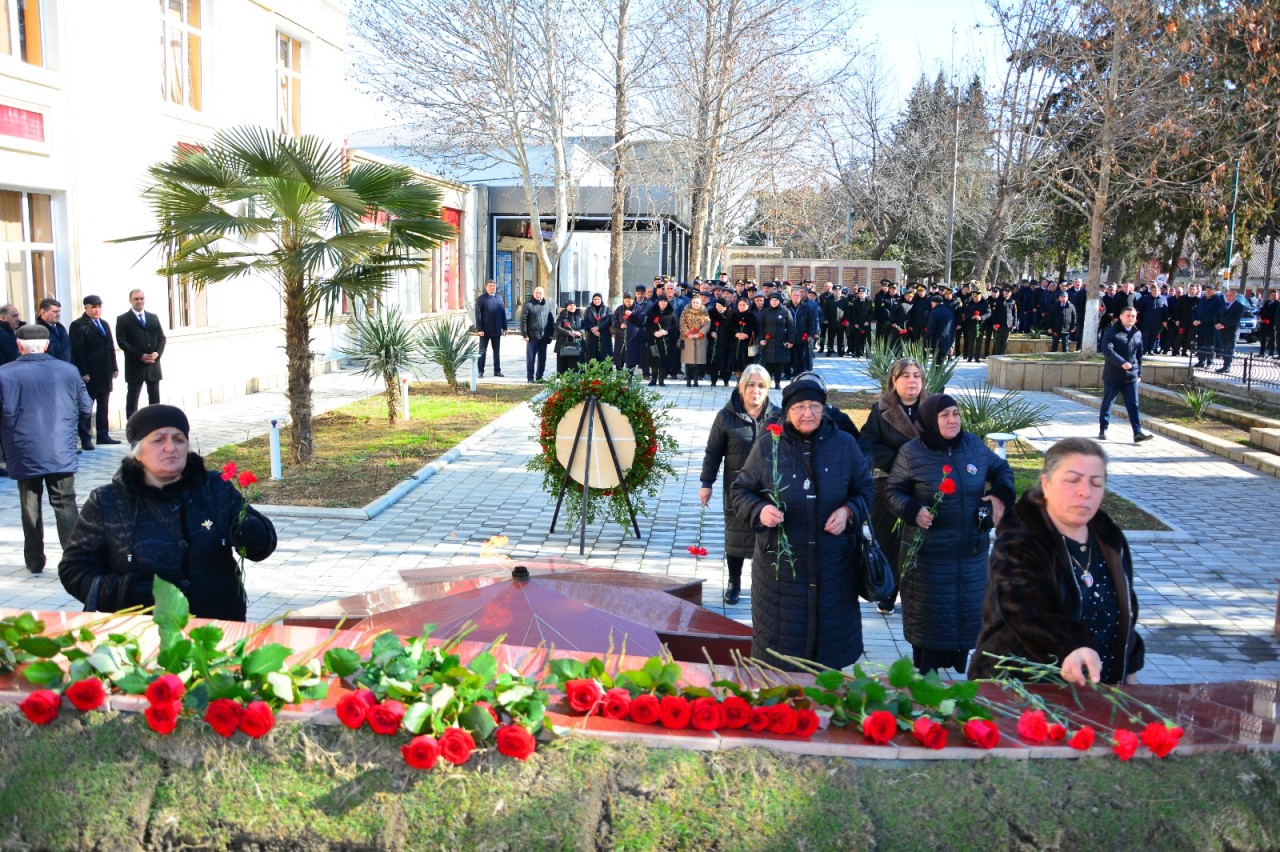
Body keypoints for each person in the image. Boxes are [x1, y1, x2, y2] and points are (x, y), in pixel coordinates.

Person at [58, 405, 277, 620]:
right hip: (142, 630)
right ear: (137, 452)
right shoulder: (107, 502)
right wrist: (126, 592)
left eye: (178, 439)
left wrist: (256, 534)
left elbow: (260, 542)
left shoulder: (214, 488)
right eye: (158, 439)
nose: (171, 447)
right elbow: (74, 569)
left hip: (217, 627)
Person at [969, 438, 1144, 685]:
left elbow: (1124, 610)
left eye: (1096, 483)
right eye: (1072, 480)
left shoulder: (1108, 537)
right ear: (1046, 483)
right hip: (1023, 689)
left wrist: (1130, 671)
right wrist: (1071, 647)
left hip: (1099, 690)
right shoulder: (1020, 540)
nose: (1085, 491)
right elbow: (1028, 609)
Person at [730, 375, 875, 670]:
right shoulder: (768, 445)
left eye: (814, 406)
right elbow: (740, 490)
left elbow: (867, 490)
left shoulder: (844, 445)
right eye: (799, 407)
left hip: (833, 571)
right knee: (781, 666)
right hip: (780, 575)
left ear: (824, 409)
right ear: (786, 411)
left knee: (828, 668)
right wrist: (759, 510)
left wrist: (848, 511)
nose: (807, 413)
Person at [885, 394, 1016, 675]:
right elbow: (892, 492)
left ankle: (959, 678)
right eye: (944, 415)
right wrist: (912, 510)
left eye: (955, 414)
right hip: (929, 559)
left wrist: (999, 496)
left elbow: (1001, 469)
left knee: (967, 622)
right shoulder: (912, 452)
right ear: (931, 420)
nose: (952, 420)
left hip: (970, 555)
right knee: (930, 628)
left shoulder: (974, 446)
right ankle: (927, 684)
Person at [0, 324, 92, 574]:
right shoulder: (68, 371)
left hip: (22, 448)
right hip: (59, 447)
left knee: (29, 503)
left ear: (19, 346)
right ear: (48, 345)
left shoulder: (4, 374)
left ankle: (34, 560)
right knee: (65, 503)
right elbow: (86, 408)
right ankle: (74, 559)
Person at [699, 364, 781, 605]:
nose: (756, 391)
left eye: (761, 386)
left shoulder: (778, 416)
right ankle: (734, 582)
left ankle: (765, 585)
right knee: (735, 538)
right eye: (751, 385)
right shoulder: (726, 417)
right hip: (737, 489)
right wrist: (706, 483)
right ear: (741, 387)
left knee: (768, 539)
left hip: (769, 490)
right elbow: (713, 452)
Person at [858, 357, 927, 614]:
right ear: (894, 381)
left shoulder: (934, 408)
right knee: (887, 542)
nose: (912, 381)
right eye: (906, 376)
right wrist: (901, 462)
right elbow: (868, 444)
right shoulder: (880, 409)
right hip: (889, 484)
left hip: (923, 487)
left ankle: (913, 597)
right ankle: (888, 590)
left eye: (916, 375)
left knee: (917, 546)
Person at [69, 295, 122, 447]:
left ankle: (103, 435)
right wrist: (83, 372)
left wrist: (114, 367)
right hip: (90, 374)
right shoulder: (78, 325)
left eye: (99, 307)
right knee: (86, 406)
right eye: (93, 307)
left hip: (105, 372)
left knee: (103, 406)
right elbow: (77, 350)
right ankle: (86, 439)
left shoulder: (104, 324)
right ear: (86, 308)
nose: (96, 310)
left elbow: (110, 346)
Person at [1098, 306, 1154, 443]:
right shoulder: (1112, 332)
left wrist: (1139, 372)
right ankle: (1103, 428)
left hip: (1131, 376)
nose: (1131, 318)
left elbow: (1139, 355)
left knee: (1133, 404)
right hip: (1113, 375)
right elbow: (1107, 350)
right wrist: (1122, 362)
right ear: (1121, 317)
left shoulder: (1137, 333)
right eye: (1128, 315)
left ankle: (1137, 433)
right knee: (1108, 402)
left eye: (1133, 316)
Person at [116, 289, 166, 417]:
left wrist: (157, 353)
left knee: (155, 402)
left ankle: (155, 428)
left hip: (153, 366)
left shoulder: (153, 317)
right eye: (136, 299)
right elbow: (122, 342)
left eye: (141, 298)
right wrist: (140, 355)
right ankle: (133, 431)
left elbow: (162, 338)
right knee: (133, 400)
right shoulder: (123, 319)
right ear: (130, 301)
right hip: (135, 366)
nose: (139, 301)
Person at [520, 286, 555, 383]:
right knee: (531, 358)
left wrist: (551, 334)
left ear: (543, 294)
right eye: (537, 293)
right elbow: (523, 320)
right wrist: (525, 334)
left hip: (544, 336)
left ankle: (539, 376)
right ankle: (530, 378)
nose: (538, 295)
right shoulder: (528, 304)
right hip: (532, 336)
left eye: (540, 293)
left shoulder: (547, 304)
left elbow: (551, 319)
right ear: (533, 293)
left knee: (542, 358)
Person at [474, 279, 508, 377]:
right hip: (484, 331)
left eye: (493, 285)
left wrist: (504, 328)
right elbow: (478, 315)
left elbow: (503, 314)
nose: (492, 287)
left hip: (496, 329)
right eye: (490, 286)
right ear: (486, 287)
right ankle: (481, 371)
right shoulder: (481, 299)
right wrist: (479, 329)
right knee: (482, 351)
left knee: (496, 351)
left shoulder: (499, 298)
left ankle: (497, 370)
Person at [759, 292, 793, 386]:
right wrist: (761, 339)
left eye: (776, 300)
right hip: (768, 342)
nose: (774, 302)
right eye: (772, 300)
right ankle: (768, 382)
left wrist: (790, 341)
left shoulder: (785, 311)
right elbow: (761, 327)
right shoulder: (765, 312)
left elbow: (791, 327)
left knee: (778, 364)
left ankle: (777, 382)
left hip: (781, 342)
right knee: (768, 364)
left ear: (779, 301)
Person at [679, 292, 711, 387]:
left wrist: (700, 333)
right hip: (688, 338)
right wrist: (688, 333)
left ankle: (696, 380)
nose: (695, 304)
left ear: (700, 303)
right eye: (694, 302)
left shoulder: (704, 311)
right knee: (688, 361)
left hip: (700, 339)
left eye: (697, 303)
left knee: (697, 361)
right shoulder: (686, 311)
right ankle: (688, 379)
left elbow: (707, 323)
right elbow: (682, 323)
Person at [644, 294, 676, 386]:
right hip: (654, 339)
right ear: (658, 302)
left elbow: (675, 324)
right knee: (654, 358)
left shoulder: (671, 311)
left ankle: (661, 380)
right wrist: (654, 332)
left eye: (665, 301)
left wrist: (666, 331)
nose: (663, 303)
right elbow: (648, 324)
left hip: (665, 339)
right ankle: (653, 379)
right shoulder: (652, 311)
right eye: (661, 301)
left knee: (663, 359)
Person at [1213, 288, 1245, 372]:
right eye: (1227, 295)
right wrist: (1216, 323)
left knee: (1229, 351)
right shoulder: (1224, 305)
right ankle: (1225, 365)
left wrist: (1224, 325)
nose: (1228, 297)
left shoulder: (1239, 306)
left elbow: (1235, 319)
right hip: (1222, 331)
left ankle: (1227, 366)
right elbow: (1217, 315)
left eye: (1231, 295)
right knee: (1223, 350)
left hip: (1231, 332)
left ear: (1235, 296)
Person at [34, 298, 71, 363]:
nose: (58, 314)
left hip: (66, 369)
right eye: (55, 312)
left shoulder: (61, 329)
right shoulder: (37, 331)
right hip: (51, 370)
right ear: (43, 312)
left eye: (59, 311)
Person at [553, 298, 584, 375]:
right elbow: (557, 328)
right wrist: (569, 332)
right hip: (563, 342)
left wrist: (580, 332)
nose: (572, 307)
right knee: (562, 366)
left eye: (574, 305)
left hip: (576, 343)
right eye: (570, 305)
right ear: (566, 306)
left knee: (575, 364)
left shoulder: (579, 315)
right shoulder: (562, 316)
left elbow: (584, 326)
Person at [582, 293, 612, 363]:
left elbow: (609, 320)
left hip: (604, 334)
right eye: (594, 299)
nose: (596, 301)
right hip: (591, 335)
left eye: (598, 299)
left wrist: (598, 327)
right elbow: (585, 321)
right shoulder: (588, 309)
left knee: (604, 353)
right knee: (592, 354)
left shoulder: (607, 308)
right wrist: (592, 329)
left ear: (601, 300)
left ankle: (605, 372)